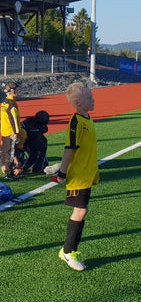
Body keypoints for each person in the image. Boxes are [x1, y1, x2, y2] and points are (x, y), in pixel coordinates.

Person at [53, 82, 98, 271]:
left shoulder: (88, 119)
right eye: (89, 98)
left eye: (92, 96)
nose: (93, 100)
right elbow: (69, 147)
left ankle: (68, 250)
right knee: (80, 210)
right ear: (78, 103)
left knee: (82, 209)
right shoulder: (76, 121)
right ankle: (68, 251)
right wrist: (62, 172)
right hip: (78, 175)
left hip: (87, 173)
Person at [0, 81, 22, 178]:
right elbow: (13, 119)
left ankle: (8, 168)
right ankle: (9, 172)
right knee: (10, 153)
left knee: (6, 151)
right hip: (10, 132)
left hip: (4, 131)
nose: (17, 92)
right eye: (15, 90)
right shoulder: (12, 104)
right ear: (11, 92)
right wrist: (16, 132)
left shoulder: (4, 103)